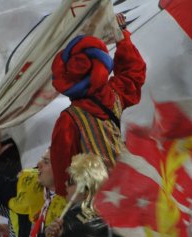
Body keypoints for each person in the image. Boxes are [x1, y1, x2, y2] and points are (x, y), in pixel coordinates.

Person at [50, 13, 146, 196]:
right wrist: (122, 36)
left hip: (101, 205)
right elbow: (134, 72)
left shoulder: (68, 121)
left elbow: (63, 182)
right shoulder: (115, 94)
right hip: (132, 190)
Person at [0, 133, 66, 237]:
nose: (38, 165)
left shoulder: (70, 207)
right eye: (42, 159)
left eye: (46, 162)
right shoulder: (26, 185)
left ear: (59, 169)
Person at [45, 153, 119, 237]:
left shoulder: (70, 221)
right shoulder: (114, 217)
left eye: (70, 181)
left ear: (86, 189)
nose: (65, 184)